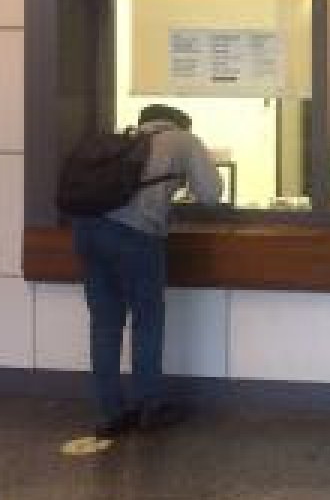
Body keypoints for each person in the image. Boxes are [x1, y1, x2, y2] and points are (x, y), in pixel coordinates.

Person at [71, 104, 222, 438]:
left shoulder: (124, 141)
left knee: (105, 323)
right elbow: (211, 195)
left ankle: (111, 413)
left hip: (86, 231)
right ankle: (149, 407)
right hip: (134, 236)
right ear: (181, 124)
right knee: (147, 319)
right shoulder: (183, 140)